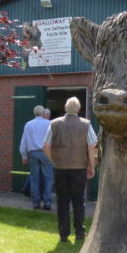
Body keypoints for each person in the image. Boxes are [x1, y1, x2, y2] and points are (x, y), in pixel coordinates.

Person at [43, 97, 97, 242]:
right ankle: (79, 232)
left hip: (60, 168)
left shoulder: (54, 123)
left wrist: (53, 160)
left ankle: (63, 234)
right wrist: (92, 165)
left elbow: (45, 146)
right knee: (78, 201)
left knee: (62, 201)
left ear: (66, 108)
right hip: (79, 168)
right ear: (79, 109)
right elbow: (92, 146)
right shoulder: (86, 124)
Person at [19, 105, 53, 210]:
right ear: (43, 113)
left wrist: (23, 155)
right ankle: (47, 202)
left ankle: (35, 203)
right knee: (48, 178)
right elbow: (53, 139)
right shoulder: (49, 123)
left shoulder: (28, 124)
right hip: (46, 153)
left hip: (33, 153)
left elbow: (23, 142)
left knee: (34, 178)